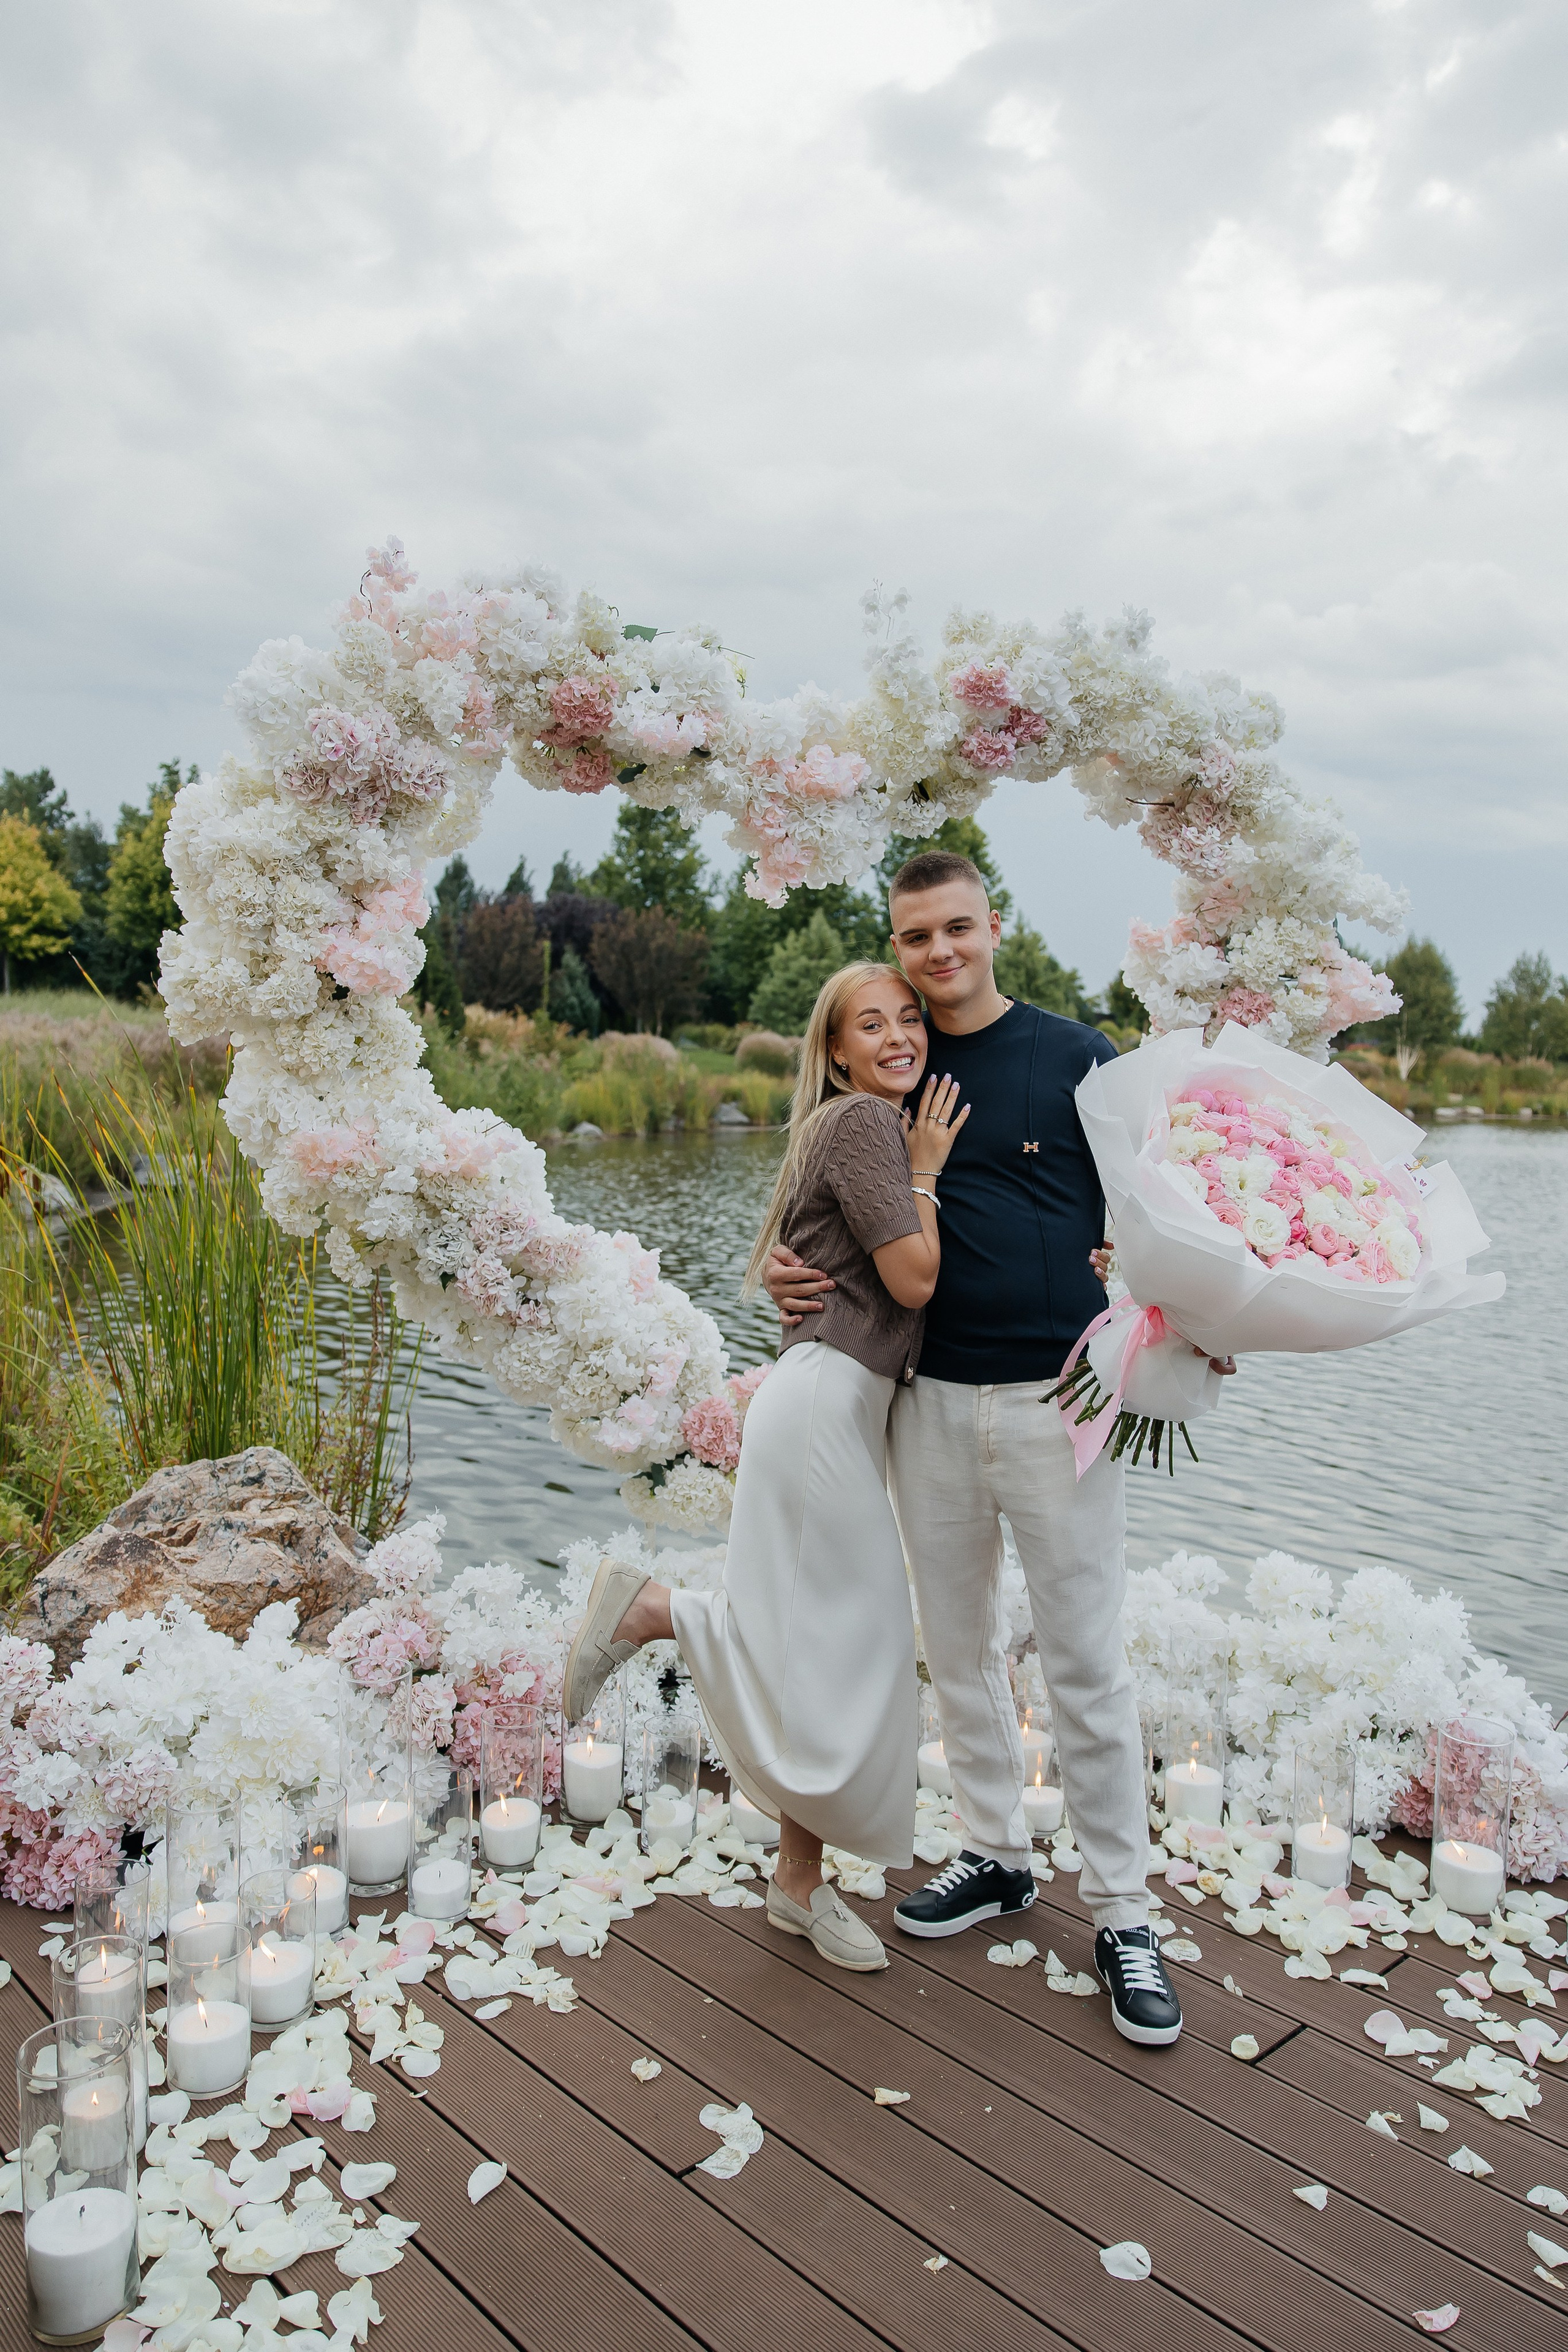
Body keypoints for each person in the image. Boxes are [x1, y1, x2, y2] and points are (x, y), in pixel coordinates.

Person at [766, 850, 1219, 2048]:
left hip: (1058, 1398)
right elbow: (829, 1212)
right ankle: (994, 1853)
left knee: (1080, 1659)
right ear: (896, 949)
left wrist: (1198, 1315)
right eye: (915, 938)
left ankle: (1122, 1914)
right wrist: (780, 1273)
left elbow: (1162, 1207)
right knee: (955, 1648)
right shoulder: (886, 1070)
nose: (937, 955)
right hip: (924, 1400)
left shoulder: (1074, 1058)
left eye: (955, 929)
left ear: (993, 925)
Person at [563, 961, 970, 1973]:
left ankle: (798, 1879)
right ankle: (655, 1609)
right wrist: (926, 1168)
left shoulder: (848, 1130)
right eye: (868, 1026)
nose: (895, 1037)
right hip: (827, 1405)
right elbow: (913, 1278)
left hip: (835, 1405)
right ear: (835, 1052)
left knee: (827, 1646)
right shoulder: (873, 1126)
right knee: (859, 1643)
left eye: (907, 1019)